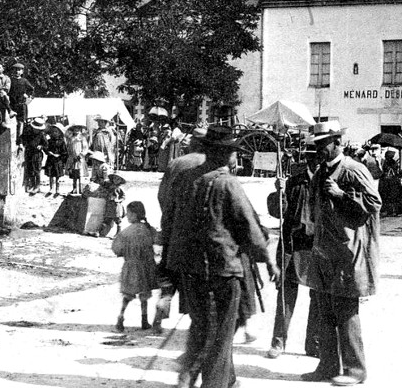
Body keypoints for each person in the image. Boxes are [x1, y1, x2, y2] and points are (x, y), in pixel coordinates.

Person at [164, 126, 278, 388]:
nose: (235, 158)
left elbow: (169, 221)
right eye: (233, 152)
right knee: (219, 338)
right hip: (221, 272)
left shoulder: (185, 179)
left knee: (202, 328)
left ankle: (223, 381)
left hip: (190, 271)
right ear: (225, 154)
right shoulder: (227, 183)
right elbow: (249, 226)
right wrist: (268, 260)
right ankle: (211, 383)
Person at [304, 120, 381, 386]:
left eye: (324, 144)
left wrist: (342, 195)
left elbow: (374, 202)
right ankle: (327, 367)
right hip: (324, 252)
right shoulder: (319, 172)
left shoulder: (353, 170)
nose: (320, 149)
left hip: (348, 253)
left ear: (338, 142)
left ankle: (355, 371)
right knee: (323, 311)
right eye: (317, 145)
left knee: (346, 312)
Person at [153, 127, 207, 334]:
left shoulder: (176, 163)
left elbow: (162, 195)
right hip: (198, 233)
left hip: (173, 229)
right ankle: (197, 324)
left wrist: (170, 218)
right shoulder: (210, 164)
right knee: (195, 278)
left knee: (169, 272)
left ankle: (162, 307)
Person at [266, 156, 320, 360]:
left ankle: (314, 343)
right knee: (285, 296)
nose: (316, 162)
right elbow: (278, 212)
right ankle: (278, 341)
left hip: (318, 247)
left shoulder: (329, 181)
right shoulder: (295, 182)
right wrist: (279, 193)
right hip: (293, 246)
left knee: (319, 298)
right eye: (312, 156)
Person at [112, 201, 157, 332]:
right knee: (144, 294)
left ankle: (121, 317)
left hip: (130, 266)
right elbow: (158, 241)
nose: (127, 216)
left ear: (134, 215)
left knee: (128, 294)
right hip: (146, 266)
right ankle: (144, 320)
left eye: (128, 213)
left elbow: (117, 249)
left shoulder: (125, 232)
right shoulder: (149, 230)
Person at [20, 116, 48, 194]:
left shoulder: (42, 135)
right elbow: (22, 138)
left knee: (37, 170)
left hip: (37, 154)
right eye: (35, 129)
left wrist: (41, 146)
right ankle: (32, 185)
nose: (36, 130)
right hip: (29, 153)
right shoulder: (29, 133)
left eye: (38, 129)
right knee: (30, 169)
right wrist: (22, 144)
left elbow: (46, 145)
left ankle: (37, 186)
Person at [8, 63, 35, 142]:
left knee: (21, 123)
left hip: (21, 105)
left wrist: (28, 97)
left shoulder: (24, 81)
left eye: (19, 70)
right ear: (13, 71)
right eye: (15, 70)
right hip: (12, 105)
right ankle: (11, 139)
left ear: (22, 71)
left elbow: (32, 89)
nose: (17, 72)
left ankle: (19, 140)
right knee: (11, 122)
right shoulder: (10, 80)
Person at [97, 173, 127, 238]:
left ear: (121, 181)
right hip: (109, 204)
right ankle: (102, 232)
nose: (116, 180)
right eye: (115, 178)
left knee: (117, 219)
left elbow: (123, 197)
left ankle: (118, 232)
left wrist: (118, 200)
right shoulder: (110, 186)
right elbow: (104, 185)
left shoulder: (120, 188)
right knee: (107, 218)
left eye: (118, 179)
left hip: (116, 206)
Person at [379, 149, 402, 217]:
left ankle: (390, 211)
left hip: (388, 182)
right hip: (394, 181)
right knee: (396, 197)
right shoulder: (394, 162)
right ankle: (397, 210)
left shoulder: (386, 163)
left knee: (388, 197)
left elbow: (383, 171)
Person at [44, 125, 68, 197]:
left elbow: (65, 152)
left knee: (57, 175)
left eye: (56, 132)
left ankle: (57, 189)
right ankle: (51, 188)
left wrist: (60, 155)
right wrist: (49, 152)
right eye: (53, 132)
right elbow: (45, 148)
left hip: (58, 160)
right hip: (51, 159)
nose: (54, 133)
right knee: (50, 175)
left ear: (59, 133)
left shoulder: (62, 142)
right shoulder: (49, 141)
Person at [66, 125, 89, 195]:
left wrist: (81, 155)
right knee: (74, 174)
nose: (76, 130)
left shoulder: (82, 138)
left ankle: (81, 189)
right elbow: (69, 148)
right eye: (75, 129)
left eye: (78, 129)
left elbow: (85, 148)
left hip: (80, 158)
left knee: (80, 173)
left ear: (80, 130)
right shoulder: (71, 138)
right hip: (73, 158)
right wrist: (71, 156)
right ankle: (74, 188)